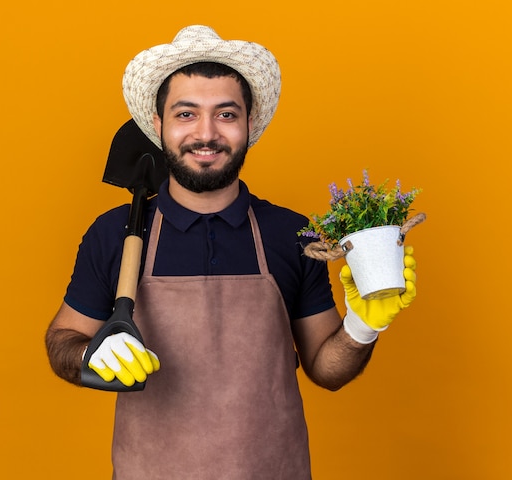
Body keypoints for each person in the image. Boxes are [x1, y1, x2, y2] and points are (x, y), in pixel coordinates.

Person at [45, 25, 418, 480]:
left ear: (248, 124)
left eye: (225, 114)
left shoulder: (292, 233)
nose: (206, 134)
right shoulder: (116, 233)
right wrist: (90, 355)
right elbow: (62, 340)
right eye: (186, 114)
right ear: (158, 125)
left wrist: (362, 327)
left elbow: (327, 369)